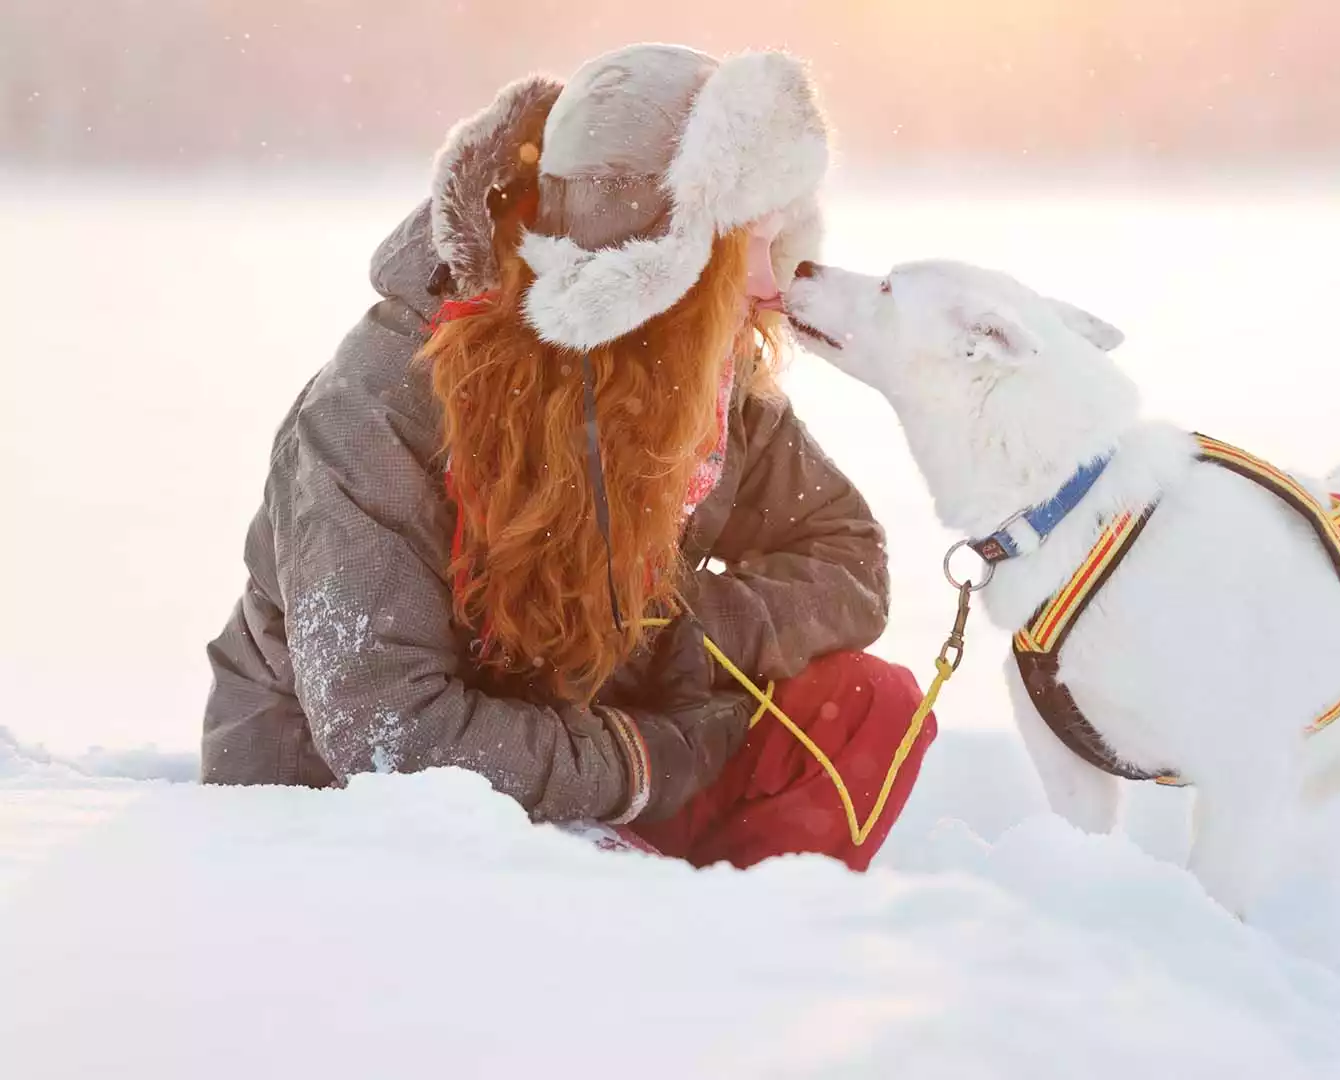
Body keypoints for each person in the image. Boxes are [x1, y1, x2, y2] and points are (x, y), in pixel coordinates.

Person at [200, 43, 934, 871]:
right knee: (460, 823)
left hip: (588, 751)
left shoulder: (695, 373)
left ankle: (729, 952)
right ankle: (612, 922)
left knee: (866, 708)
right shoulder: (374, 408)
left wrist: (668, 634)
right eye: (751, 246)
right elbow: (386, 734)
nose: (775, 285)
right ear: (657, 261)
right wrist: (641, 760)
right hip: (360, 819)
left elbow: (844, 556)